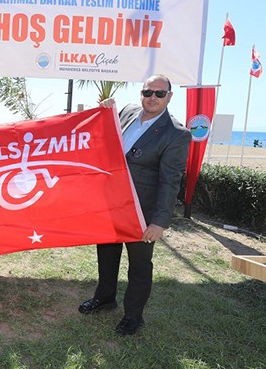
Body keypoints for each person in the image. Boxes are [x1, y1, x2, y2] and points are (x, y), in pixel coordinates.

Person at [79, 74, 192, 336]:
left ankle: (133, 316)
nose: (153, 98)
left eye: (159, 93)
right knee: (107, 254)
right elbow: (104, 136)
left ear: (169, 97)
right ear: (141, 94)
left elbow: (170, 182)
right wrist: (105, 111)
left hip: (143, 213)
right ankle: (104, 298)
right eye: (147, 92)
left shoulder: (176, 134)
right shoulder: (127, 112)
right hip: (113, 204)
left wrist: (159, 222)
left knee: (139, 266)